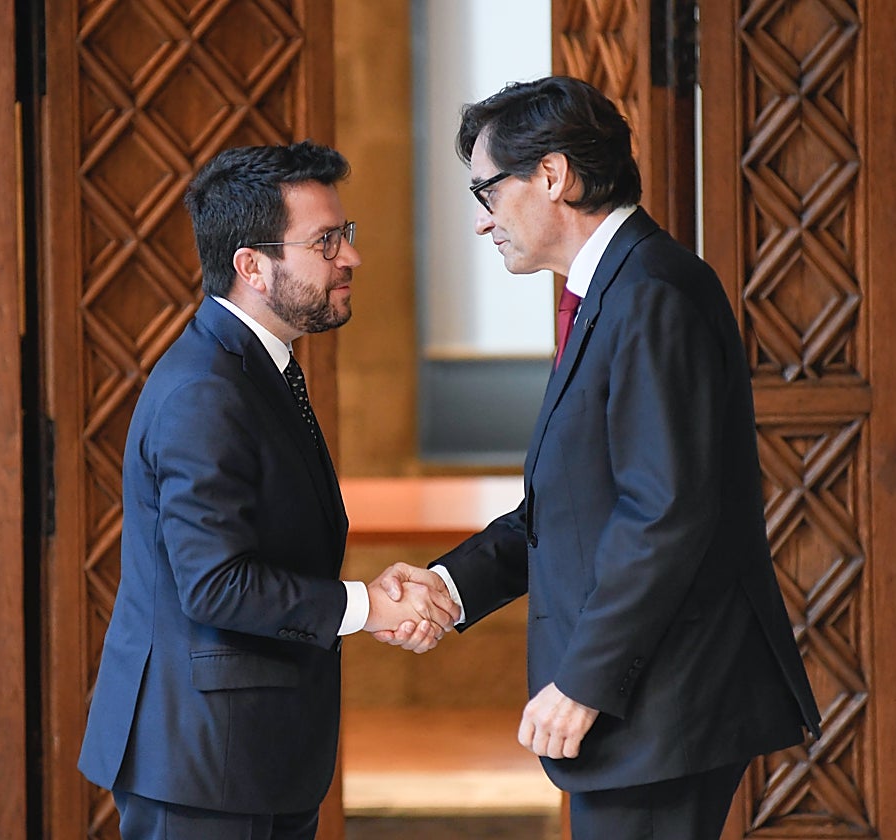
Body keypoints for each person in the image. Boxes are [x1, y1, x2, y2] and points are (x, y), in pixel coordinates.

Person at [377, 76, 822, 839]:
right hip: (643, 706)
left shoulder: (652, 292)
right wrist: (450, 585)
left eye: (486, 192)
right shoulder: (613, 289)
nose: (484, 224)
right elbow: (570, 507)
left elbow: (666, 514)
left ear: (551, 176)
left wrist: (583, 684)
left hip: (658, 702)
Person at [78, 140, 456, 840]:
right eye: (326, 241)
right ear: (252, 265)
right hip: (204, 766)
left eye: (346, 235)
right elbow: (215, 584)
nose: (351, 258)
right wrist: (369, 605)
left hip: (250, 756)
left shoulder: (258, 364)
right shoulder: (205, 390)